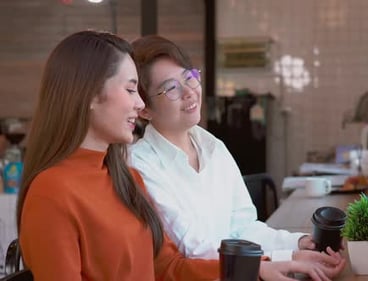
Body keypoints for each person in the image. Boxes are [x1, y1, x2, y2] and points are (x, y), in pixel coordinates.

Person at [16, 30, 343, 281]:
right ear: (88, 94)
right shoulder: (53, 192)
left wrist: (264, 265)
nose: (139, 104)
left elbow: (167, 267)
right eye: (130, 90)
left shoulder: (125, 178)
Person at [129, 34, 346, 275]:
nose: (189, 92)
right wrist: (286, 259)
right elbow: (193, 250)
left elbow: (243, 228)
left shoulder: (214, 148)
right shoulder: (140, 164)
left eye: (189, 78)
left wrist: (298, 243)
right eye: (170, 88)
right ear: (145, 109)